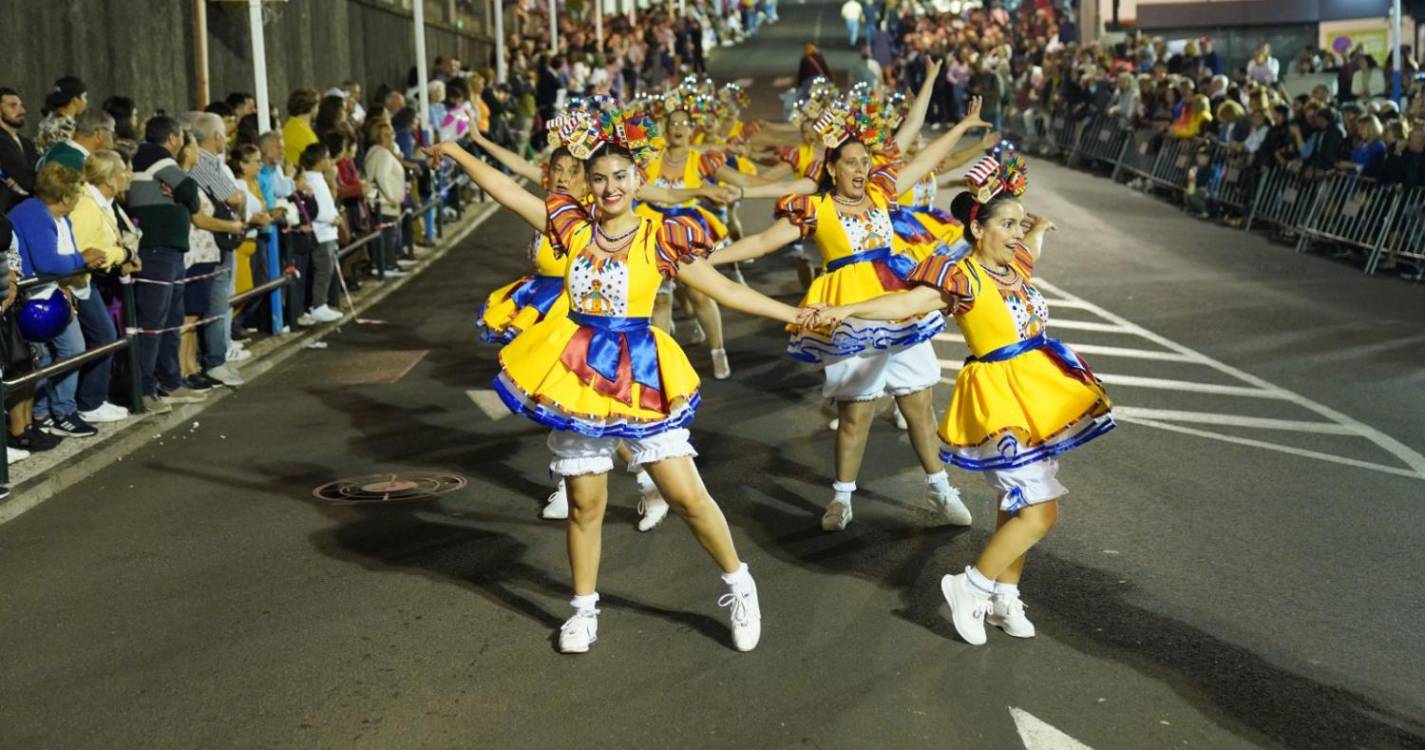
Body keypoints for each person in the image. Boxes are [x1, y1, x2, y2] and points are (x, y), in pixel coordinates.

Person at [427, 104, 812, 654]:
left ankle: (738, 582)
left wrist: (795, 315)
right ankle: (584, 612)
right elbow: (508, 195)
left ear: (638, 180)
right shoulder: (571, 227)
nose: (609, 188)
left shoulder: (660, 238)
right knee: (586, 503)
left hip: (640, 370)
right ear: (587, 182)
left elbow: (728, 291)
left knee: (685, 495)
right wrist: (459, 151)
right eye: (599, 178)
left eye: (619, 177)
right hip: (577, 370)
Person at [816, 153, 1114, 646]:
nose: (1018, 233)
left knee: (1013, 503)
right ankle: (969, 585)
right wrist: (842, 311)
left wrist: (1040, 228)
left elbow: (1031, 249)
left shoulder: (1013, 264)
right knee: (1041, 513)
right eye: (1009, 224)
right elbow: (906, 302)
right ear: (978, 229)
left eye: (1020, 223)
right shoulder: (963, 278)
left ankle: (1003, 596)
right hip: (999, 400)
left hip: (1033, 394)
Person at [712, 98, 988, 533]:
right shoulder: (816, 209)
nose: (861, 169)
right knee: (856, 412)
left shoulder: (881, 191)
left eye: (864, 162)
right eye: (852, 163)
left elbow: (927, 158)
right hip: (849, 315)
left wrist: (964, 125)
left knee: (919, 406)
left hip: (897, 306)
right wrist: (708, 261)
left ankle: (940, 490)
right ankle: (842, 497)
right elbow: (763, 243)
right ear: (833, 167)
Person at [7, 162, 109, 437]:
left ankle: (60, 410)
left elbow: (64, 258)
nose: (80, 198)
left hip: (52, 294)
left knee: (70, 348)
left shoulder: (61, 218)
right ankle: (46, 415)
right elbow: (48, 261)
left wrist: (68, 282)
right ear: (65, 196)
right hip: (30, 301)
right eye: (77, 192)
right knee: (42, 359)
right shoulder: (33, 214)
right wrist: (82, 259)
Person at [126, 116, 210, 410]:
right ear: (173, 138)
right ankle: (145, 389)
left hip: (170, 252)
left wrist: (181, 192)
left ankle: (170, 382)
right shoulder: (155, 155)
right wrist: (181, 187)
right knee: (152, 322)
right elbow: (191, 196)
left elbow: (188, 196)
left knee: (171, 320)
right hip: (156, 251)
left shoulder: (155, 159)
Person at [69, 150, 140, 423]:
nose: (128, 174)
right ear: (109, 178)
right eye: (123, 170)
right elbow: (87, 251)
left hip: (89, 283)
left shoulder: (104, 202)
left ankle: (91, 399)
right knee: (103, 336)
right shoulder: (87, 205)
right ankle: (89, 402)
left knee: (103, 336)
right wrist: (123, 255)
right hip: (76, 284)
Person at [0, 87, 40, 213]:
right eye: (13, 106)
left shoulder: (26, 143)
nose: (22, 111)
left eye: (21, 106)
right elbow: (25, 179)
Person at [37, 109, 115, 172]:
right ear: (99, 134)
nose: (113, 140)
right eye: (111, 133)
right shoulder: (73, 163)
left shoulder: (58, 150)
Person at [37, 76, 88, 151]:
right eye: (84, 97)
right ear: (75, 100)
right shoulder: (66, 127)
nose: (86, 101)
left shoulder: (46, 121)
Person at [283, 88, 321, 167]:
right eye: (317, 106)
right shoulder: (304, 132)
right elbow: (318, 161)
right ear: (311, 108)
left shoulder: (288, 125)